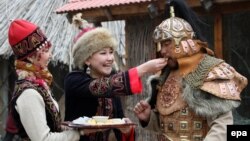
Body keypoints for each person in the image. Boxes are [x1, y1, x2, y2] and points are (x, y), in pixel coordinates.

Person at [133, 0, 248, 141]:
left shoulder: (208, 69)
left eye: (167, 43)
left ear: (184, 41)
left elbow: (222, 125)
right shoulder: (163, 75)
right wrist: (148, 118)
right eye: (160, 45)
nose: (162, 50)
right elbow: (168, 124)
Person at [64, 15, 168, 141]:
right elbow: (99, 86)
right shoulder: (74, 80)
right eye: (103, 53)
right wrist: (143, 69)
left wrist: (127, 131)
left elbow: (120, 131)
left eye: (111, 52)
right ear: (87, 59)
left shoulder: (113, 90)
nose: (110, 58)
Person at [5, 19, 81, 141]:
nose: (50, 55)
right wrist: (78, 135)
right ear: (30, 57)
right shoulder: (29, 93)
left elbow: (51, 127)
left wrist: (77, 128)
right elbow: (43, 139)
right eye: (45, 51)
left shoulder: (38, 84)